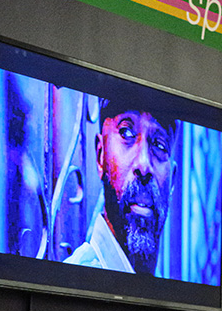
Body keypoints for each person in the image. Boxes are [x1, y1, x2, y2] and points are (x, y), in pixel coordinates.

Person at [66, 97, 177, 275]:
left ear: (173, 181)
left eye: (159, 145)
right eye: (126, 133)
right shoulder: (72, 282)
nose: (143, 165)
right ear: (100, 156)